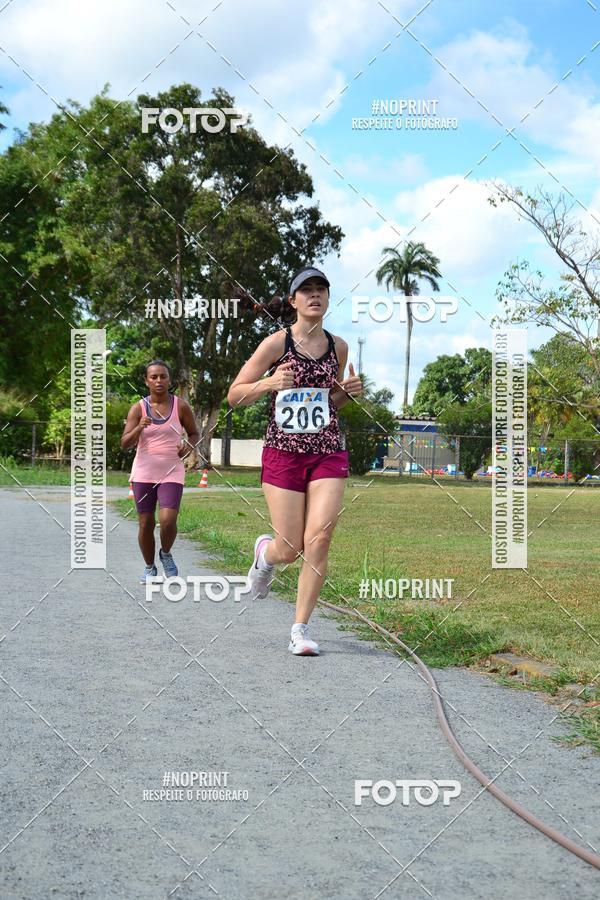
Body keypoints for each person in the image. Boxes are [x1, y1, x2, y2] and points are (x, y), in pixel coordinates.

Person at [227, 266, 363, 655]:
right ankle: (265, 556)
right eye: (306, 290)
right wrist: (268, 383)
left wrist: (348, 393)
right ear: (293, 301)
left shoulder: (339, 347)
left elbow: (327, 404)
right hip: (283, 452)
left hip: (326, 451)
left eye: (321, 289)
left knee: (318, 538)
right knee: (289, 548)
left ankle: (300, 629)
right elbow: (234, 394)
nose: (315, 295)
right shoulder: (276, 344)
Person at [121, 360, 200, 583]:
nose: (158, 381)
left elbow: (194, 433)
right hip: (144, 473)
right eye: (153, 377)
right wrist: (139, 427)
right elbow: (124, 443)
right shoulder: (138, 408)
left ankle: (165, 553)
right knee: (145, 523)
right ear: (146, 381)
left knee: (168, 520)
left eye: (163, 376)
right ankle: (149, 567)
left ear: (169, 380)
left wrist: (188, 446)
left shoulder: (180, 406)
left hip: (172, 471)